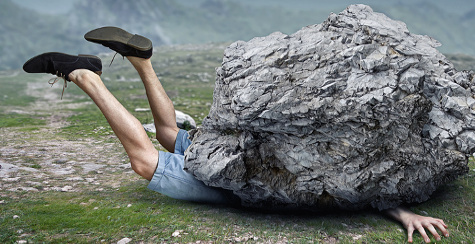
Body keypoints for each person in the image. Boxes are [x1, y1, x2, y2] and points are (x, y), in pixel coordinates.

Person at [23, 26, 449, 243]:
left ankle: (141, 62)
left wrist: (402, 212)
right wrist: (401, 210)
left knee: (171, 135)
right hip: (252, 177)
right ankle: (86, 75)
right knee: (146, 161)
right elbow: (361, 181)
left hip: (249, 149)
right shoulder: (366, 148)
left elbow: (359, 177)